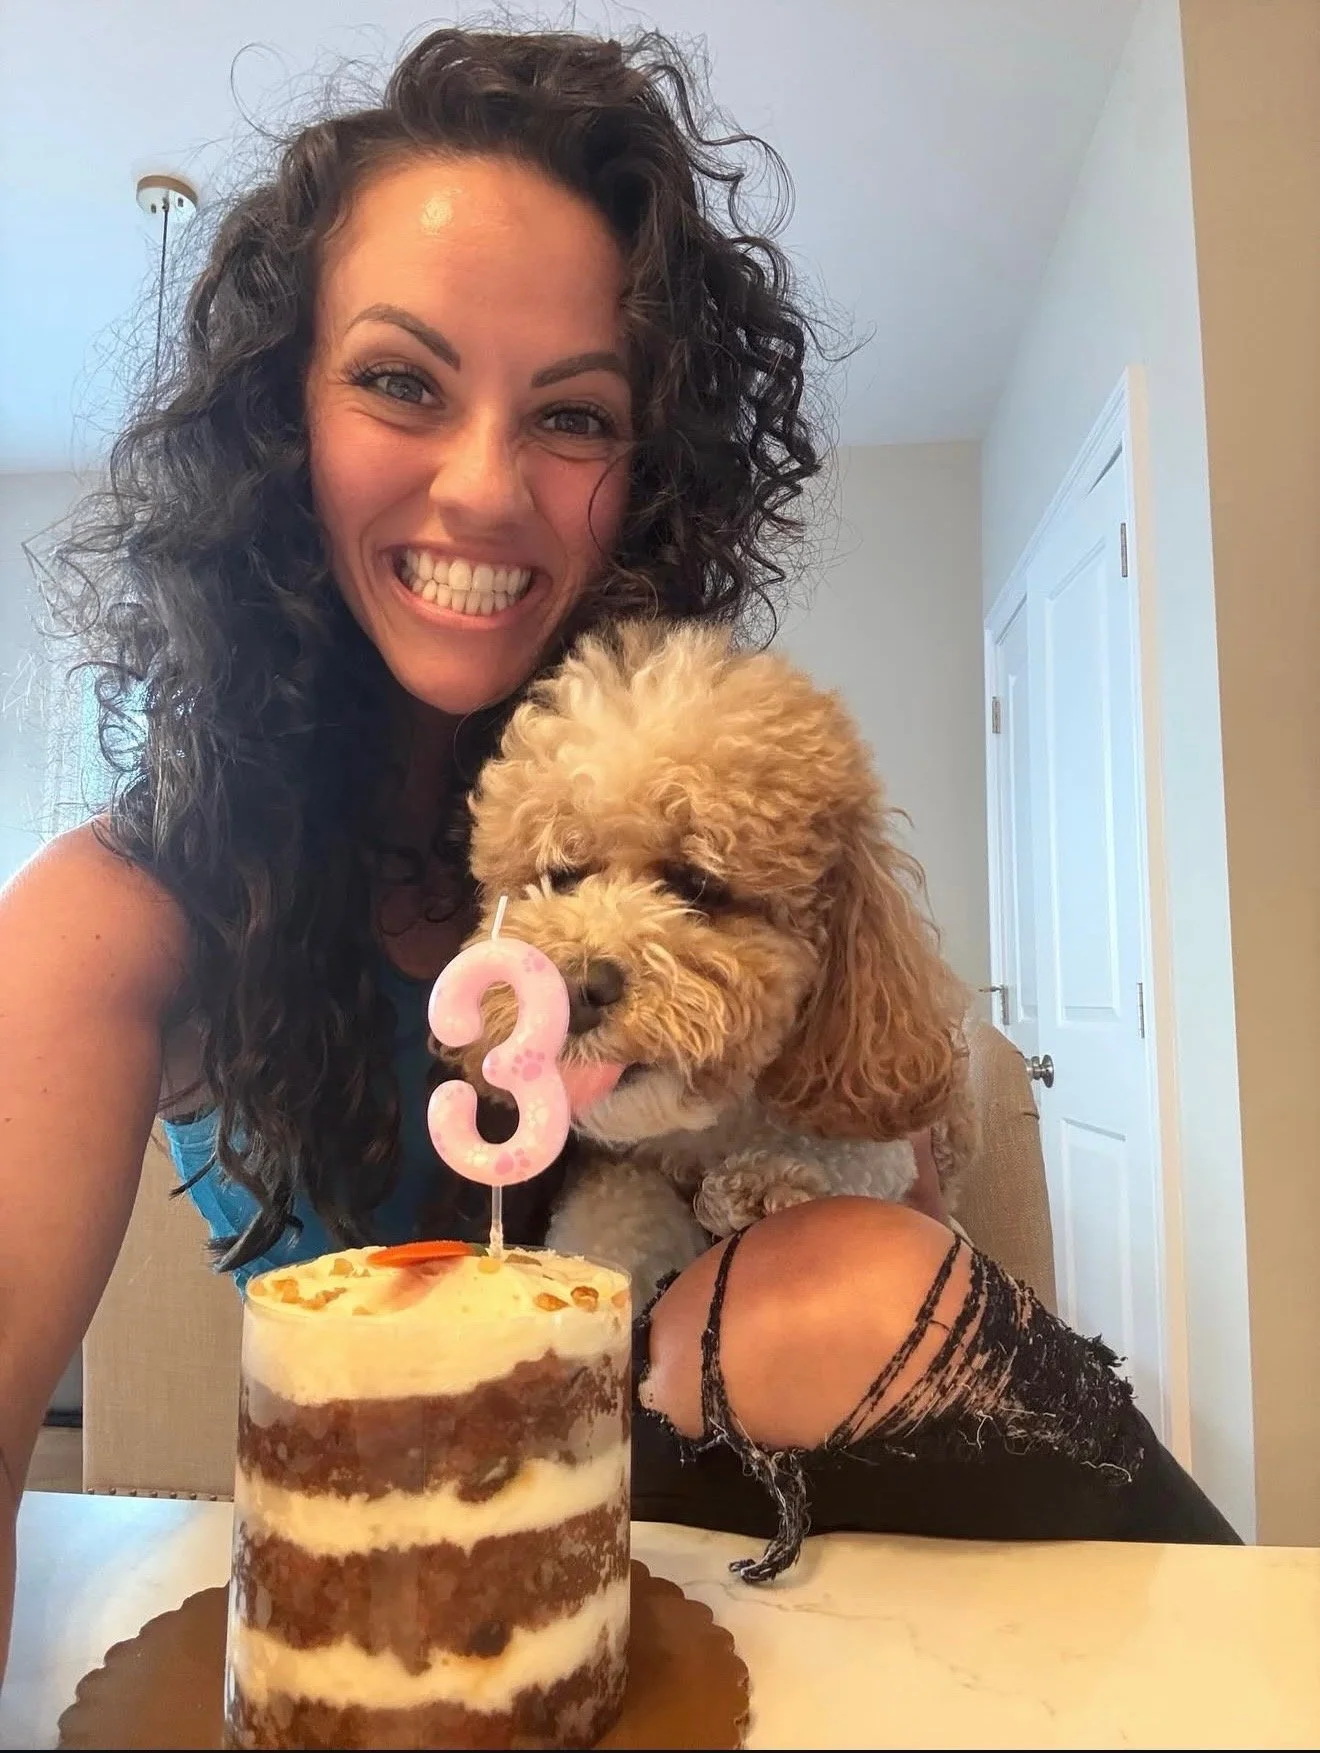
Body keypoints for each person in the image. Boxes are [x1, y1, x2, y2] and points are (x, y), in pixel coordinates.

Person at [0, 23, 1236, 1678]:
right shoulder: (114, 919)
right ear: (276, 416)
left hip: (767, 1593)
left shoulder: (705, 762)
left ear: (648, 468)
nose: (485, 485)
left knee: (849, 1281)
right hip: (412, 1614)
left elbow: (883, 1186)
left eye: (574, 416)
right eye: (398, 379)